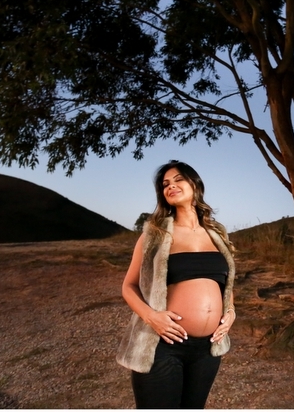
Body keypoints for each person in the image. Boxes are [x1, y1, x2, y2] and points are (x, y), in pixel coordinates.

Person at [116, 160, 236, 409]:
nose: (170, 186)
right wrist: (151, 317)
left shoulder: (217, 233)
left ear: (195, 184)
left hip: (208, 349)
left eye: (178, 179)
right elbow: (128, 286)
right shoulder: (155, 234)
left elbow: (226, 284)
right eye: (165, 184)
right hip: (163, 346)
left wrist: (231, 312)